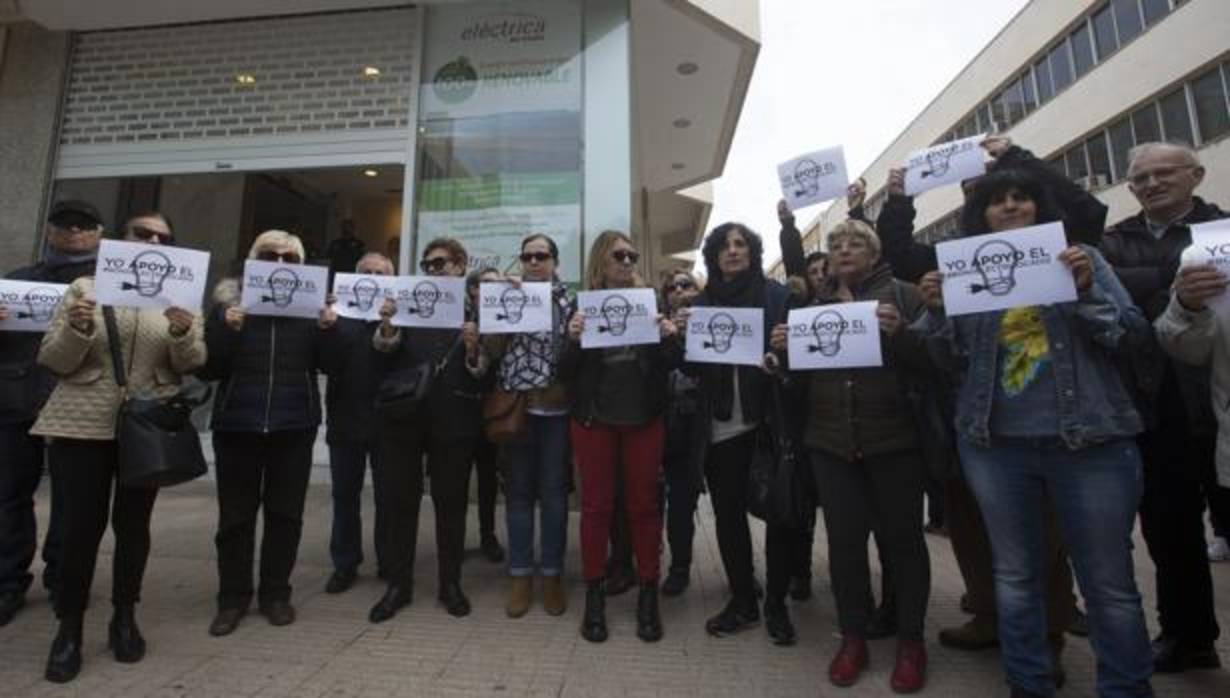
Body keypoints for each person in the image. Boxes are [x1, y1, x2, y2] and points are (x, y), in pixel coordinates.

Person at [919, 170, 1153, 698]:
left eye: (1019, 198)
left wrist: (1085, 292)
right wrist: (936, 313)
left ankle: (1126, 688)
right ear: (979, 215)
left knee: (1109, 585)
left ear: (1039, 207)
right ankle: (1028, 683)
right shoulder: (965, 271)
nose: (1009, 208)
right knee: (1015, 576)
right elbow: (947, 358)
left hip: (1091, 441)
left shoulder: (1082, 259)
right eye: (996, 202)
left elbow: (1131, 334)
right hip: (995, 446)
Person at [31, 211, 205, 682]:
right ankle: (69, 628)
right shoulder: (84, 289)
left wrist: (182, 329)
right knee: (78, 529)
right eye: (142, 234)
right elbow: (53, 359)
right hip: (83, 422)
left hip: (146, 428)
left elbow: (192, 362)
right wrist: (79, 327)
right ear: (120, 240)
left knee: (134, 527)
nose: (151, 240)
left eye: (162, 237)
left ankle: (124, 616)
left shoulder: (180, 295)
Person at [770, 219, 932, 692]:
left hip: (895, 441)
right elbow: (801, 384)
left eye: (855, 243)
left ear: (875, 252)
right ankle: (854, 638)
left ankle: (911, 642)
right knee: (844, 545)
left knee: (904, 542)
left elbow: (938, 362)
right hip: (831, 444)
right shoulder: (811, 306)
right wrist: (783, 360)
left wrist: (902, 334)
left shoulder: (904, 296)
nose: (843, 251)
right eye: (836, 245)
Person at [1101, 141, 1227, 674]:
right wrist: (1174, 282)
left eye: (1164, 173)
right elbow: (1108, 294)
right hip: (1152, 405)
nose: (1152, 183)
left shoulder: (1221, 233)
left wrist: (1148, 286)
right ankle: (1188, 635)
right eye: (1141, 178)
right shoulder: (1113, 240)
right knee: (1169, 531)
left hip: (1219, 404)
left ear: (1196, 175)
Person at [200, 230, 338, 637]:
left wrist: (329, 329)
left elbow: (331, 366)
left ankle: (276, 594)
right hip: (237, 424)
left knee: (285, 517)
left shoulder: (312, 309)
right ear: (252, 259)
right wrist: (226, 328)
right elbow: (207, 368)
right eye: (269, 255)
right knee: (235, 519)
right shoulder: (227, 304)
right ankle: (232, 599)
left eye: (288, 258)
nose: (279, 263)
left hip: (293, 425)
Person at [676, 222, 796, 645]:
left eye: (741, 244)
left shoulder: (777, 297)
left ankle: (777, 603)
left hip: (768, 426)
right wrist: (681, 337)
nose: (733, 251)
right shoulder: (702, 303)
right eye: (724, 246)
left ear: (753, 252)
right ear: (713, 255)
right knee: (729, 519)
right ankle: (744, 598)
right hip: (721, 429)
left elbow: (797, 358)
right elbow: (690, 369)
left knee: (780, 514)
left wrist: (780, 357)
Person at [558, 230, 677, 643]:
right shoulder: (581, 306)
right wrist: (572, 340)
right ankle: (594, 595)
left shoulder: (651, 303)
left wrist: (667, 339)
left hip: (643, 418)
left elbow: (670, 365)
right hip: (595, 420)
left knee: (643, 507)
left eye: (631, 255)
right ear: (601, 263)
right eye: (618, 256)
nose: (627, 262)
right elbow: (564, 370)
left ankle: (648, 592)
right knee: (596, 508)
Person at [367, 238, 486, 621]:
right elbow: (383, 351)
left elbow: (484, 370)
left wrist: (472, 349)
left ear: (460, 265)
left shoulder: (478, 308)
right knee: (401, 503)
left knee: (451, 506)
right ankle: (398, 585)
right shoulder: (405, 301)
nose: (432, 271)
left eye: (440, 264)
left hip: (454, 417)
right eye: (427, 265)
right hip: (404, 418)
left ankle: (450, 583)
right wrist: (386, 325)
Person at [0, 201, 101, 627]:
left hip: (76, 401)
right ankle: (7, 582)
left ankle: (64, 579)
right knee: (8, 497)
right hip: (15, 399)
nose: (74, 233)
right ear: (50, 230)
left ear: (99, 232)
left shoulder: (110, 285)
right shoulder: (17, 281)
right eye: (65, 225)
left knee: (71, 500)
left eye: (83, 226)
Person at [484, 234, 574, 618]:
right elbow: (491, 352)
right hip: (516, 408)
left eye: (542, 256)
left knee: (554, 495)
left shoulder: (569, 301)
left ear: (555, 262)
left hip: (554, 409)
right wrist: (503, 312)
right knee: (518, 494)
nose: (534, 262)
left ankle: (552, 574)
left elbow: (575, 355)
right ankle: (520, 574)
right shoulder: (505, 294)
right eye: (527, 256)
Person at [321, 252, 395, 594]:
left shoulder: (400, 315)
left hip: (388, 419)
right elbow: (325, 362)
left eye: (381, 273)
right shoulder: (337, 315)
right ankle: (345, 563)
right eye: (367, 272)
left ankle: (390, 561)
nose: (373, 277)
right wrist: (329, 325)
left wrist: (389, 323)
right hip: (345, 416)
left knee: (388, 496)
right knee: (344, 496)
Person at [659, 268, 703, 596]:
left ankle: (681, 566)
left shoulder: (707, 321)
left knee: (686, 503)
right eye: (671, 287)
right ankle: (671, 563)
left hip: (699, 424)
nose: (678, 290)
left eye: (685, 284)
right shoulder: (654, 324)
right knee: (666, 500)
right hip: (661, 422)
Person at [465, 267, 506, 564]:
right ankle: (455, 538)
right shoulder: (458, 316)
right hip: (460, 410)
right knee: (455, 480)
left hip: (496, 411)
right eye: (484, 285)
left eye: (496, 285)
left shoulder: (507, 317)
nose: (491, 290)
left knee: (489, 479)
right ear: (472, 291)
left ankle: (488, 535)